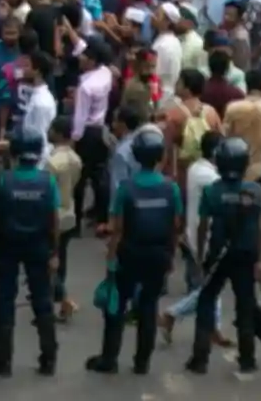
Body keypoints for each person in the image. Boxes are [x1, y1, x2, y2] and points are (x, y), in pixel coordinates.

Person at [90, 123, 179, 375]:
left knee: (116, 306)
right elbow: (175, 226)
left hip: (129, 254)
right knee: (149, 307)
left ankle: (109, 358)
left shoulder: (126, 188)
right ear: (160, 156)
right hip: (158, 255)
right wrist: (170, 256)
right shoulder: (170, 188)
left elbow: (117, 229)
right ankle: (142, 362)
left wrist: (110, 262)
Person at [0, 128, 59, 376]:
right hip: (38, 246)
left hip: (8, 245)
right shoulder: (47, 180)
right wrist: (54, 250)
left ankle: (3, 360)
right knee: (42, 300)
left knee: (5, 299)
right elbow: (54, 219)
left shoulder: (4, 180)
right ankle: (48, 358)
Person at [187, 136, 260, 375]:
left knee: (206, 300)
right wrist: (258, 259)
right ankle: (248, 358)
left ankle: (200, 358)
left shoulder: (212, 192)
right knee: (245, 305)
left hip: (218, 254)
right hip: (246, 253)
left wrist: (200, 256)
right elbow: (256, 227)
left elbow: (203, 226)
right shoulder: (254, 191)